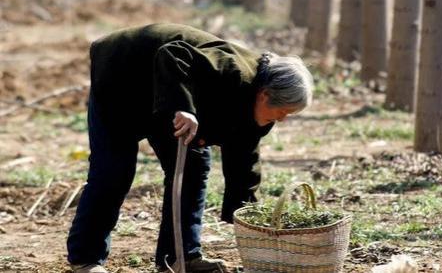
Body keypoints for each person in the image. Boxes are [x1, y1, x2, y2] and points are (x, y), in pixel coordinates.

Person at [66, 23, 314, 273]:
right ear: (264, 94)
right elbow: (172, 53)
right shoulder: (231, 71)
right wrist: (182, 106)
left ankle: (180, 257)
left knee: (192, 168)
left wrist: (245, 214)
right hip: (124, 74)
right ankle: (86, 259)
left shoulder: (257, 113)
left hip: (167, 91)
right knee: (113, 171)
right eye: (282, 112)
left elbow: (243, 160)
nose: (282, 119)